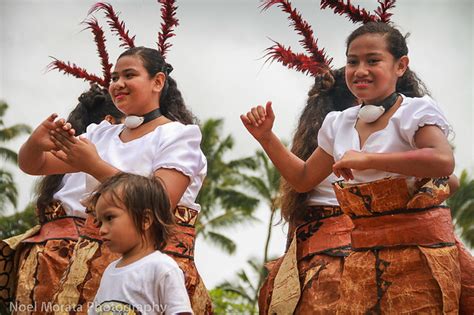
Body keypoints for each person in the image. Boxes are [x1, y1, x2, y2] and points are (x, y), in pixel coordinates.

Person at [242, 22, 466, 313]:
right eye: (352, 61)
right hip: (359, 258)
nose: (360, 70)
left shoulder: (414, 111)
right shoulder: (339, 123)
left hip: (414, 256)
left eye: (373, 61)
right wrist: (266, 137)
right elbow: (303, 179)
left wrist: (368, 160)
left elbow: (442, 161)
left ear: (401, 66)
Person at [17, 46, 211, 314]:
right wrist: (36, 143)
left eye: (128, 75)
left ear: (158, 82)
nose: (118, 84)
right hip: (89, 269)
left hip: (153, 267)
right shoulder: (101, 134)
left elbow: (162, 199)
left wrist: (94, 165)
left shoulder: (178, 136)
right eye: (114, 78)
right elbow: (34, 165)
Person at [0, 84, 124, 310]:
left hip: (42, 253)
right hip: (75, 254)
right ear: (110, 121)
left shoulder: (79, 153)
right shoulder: (99, 147)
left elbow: (31, 162)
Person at [258, 68, 357, 314]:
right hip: (342, 256)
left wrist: (267, 138)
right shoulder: (349, 129)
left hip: (304, 260)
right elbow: (303, 179)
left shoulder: (324, 134)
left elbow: (301, 181)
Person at [87, 173, 192, 315]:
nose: (101, 230)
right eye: (99, 222)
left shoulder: (162, 268)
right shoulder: (109, 271)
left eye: (109, 218)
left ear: (145, 220)